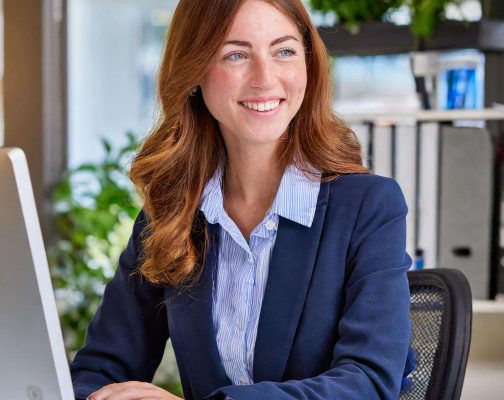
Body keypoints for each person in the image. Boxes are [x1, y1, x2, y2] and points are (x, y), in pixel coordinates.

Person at [70, 0, 412, 399]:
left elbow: (369, 381)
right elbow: (100, 368)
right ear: (194, 70)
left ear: (308, 65)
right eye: (236, 54)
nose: (265, 79)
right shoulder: (173, 213)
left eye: (284, 51)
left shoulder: (368, 208)